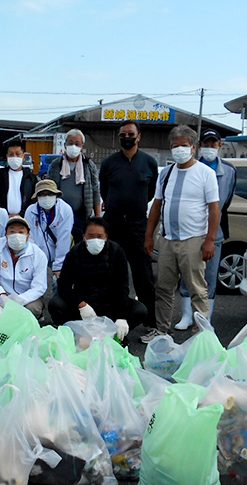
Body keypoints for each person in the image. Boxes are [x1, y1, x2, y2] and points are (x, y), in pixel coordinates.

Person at [144, 125, 220, 342]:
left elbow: (214, 209)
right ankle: (161, 331)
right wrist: (150, 236)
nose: (179, 150)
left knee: (198, 289)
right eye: (175, 146)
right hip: (167, 240)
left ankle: (201, 336)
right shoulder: (166, 173)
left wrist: (210, 240)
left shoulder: (206, 173)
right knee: (164, 289)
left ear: (193, 148)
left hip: (194, 240)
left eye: (183, 146)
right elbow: (157, 206)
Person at [99, 120, 160, 337]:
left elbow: (151, 193)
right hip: (112, 223)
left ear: (139, 136)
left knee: (143, 274)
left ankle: (151, 323)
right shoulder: (108, 164)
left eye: (130, 133)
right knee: (109, 271)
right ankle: (105, 318)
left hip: (137, 224)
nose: (127, 137)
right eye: (123, 134)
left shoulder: (149, 163)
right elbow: (104, 192)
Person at [174, 129, 237, 330]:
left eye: (214, 144)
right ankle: (186, 315)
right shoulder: (190, 167)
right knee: (187, 274)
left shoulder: (229, 171)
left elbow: (224, 202)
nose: (210, 148)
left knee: (209, 276)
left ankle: (204, 317)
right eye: (206, 144)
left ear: (220, 146)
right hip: (190, 230)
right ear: (199, 146)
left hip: (214, 232)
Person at [48, 217, 146, 342]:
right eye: (91, 235)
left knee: (140, 310)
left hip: (110, 305)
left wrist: (121, 317)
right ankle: (78, 334)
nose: (95, 240)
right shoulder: (75, 253)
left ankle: (115, 335)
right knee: (55, 304)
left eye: (100, 236)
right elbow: (64, 285)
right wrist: (81, 304)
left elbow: (122, 287)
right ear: (83, 236)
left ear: (106, 237)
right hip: (85, 308)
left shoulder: (117, 252)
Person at [0, 216, 48, 319]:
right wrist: (1, 294)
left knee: (33, 308)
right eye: (12, 232)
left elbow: (39, 286)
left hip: (25, 295)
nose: (16, 236)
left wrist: (20, 300)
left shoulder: (38, 255)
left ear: (28, 235)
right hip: (2, 291)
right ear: (6, 235)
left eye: (21, 232)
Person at [46, 128, 101, 242]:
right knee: (60, 243)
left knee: (79, 244)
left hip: (81, 215)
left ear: (82, 146)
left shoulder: (89, 165)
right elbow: (48, 187)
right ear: (65, 144)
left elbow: (95, 191)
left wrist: (97, 217)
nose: (73, 146)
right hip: (59, 214)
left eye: (77, 144)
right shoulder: (56, 164)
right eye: (70, 143)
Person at [24, 179, 73, 276]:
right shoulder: (31, 211)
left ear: (56, 195)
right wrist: (35, 261)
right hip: (37, 259)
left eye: (50, 194)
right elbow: (30, 238)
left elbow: (64, 239)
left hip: (58, 258)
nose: (46, 197)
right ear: (37, 197)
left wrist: (59, 266)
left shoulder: (65, 210)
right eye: (42, 194)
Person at [0, 141, 36, 217]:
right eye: (11, 154)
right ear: (7, 157)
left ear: (24, 157)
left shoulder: (31, 178)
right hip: (2, 218)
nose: (14, 157)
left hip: (25, 218)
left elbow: (33, 199)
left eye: (17, 154)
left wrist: (22, 214)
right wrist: (4, 214)